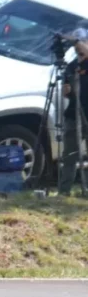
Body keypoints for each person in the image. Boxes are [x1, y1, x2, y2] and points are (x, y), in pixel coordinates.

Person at [59, 23, 88, 196]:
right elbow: (66, 93)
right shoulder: (70, 66)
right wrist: (67, 90)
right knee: (69, 155)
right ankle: (64, 191)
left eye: (82, 42)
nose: (79, 47)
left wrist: (78, 40)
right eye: (76, 45)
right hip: (73, 115)